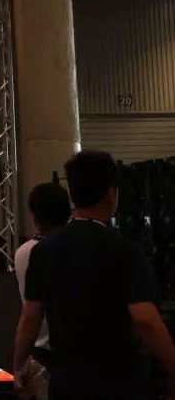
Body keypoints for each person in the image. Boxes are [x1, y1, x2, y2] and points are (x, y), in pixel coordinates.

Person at [14, 150, 175, 399]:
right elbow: (145, 319)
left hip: (66, 382)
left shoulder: (43, 251)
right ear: (112, 195)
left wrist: (18, 366)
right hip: (120, 383)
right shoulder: (125, 249)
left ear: (72, 196)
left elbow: (31, 317)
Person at [14, 182, 71, 399]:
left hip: (38, 350)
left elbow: (30, 315)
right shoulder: (72, 249)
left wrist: (17, 365)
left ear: (34, 217)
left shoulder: (24, 252)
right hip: (71, 351)